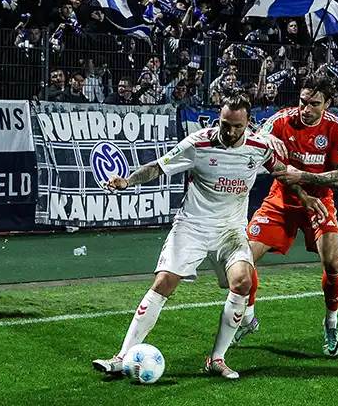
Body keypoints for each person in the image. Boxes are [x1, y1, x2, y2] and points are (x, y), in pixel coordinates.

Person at [91, 93, 311, 380]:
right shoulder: (199, 143)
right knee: (163, 282)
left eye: (237, 127)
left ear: (248, 124)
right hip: (192, 226)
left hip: (230, 230)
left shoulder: (259, 148)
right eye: (225, 124)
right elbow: (159, 166)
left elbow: (281, 173)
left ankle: (217, 359)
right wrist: (128, 180)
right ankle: (121, 358)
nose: (230, 132)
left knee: (243, 281)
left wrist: (306, 198)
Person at [237, 74, 338, 357]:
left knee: (333, 262)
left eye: (314, 103)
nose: (306, 109)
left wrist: (303, 176)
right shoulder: (280, 121)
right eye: (303, 101)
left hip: (320, 202)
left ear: (327, 103)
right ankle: (249, 317)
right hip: (281, 200)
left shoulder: (337, 129)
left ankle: (330, 323)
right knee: (244, 259)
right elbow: (261, 144)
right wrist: (264, 139)